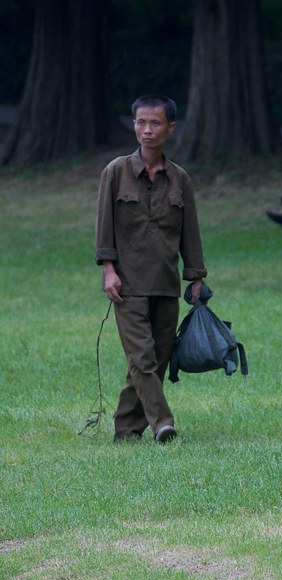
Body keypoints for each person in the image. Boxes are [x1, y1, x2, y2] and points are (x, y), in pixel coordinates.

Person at [95, 94, 206, 444]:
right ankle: (162, 423)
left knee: (156, 360)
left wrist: (197, 275)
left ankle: (126, 430)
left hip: (166, 284)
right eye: (141, 123)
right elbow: (104, 225)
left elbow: (191, 231)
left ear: (170, 127)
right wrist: (108, 270)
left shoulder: (180, 179)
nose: (147, 130)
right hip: (127, 285)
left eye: (155, 123)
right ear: (134, 125)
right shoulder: (115, 172)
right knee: (141, 358)